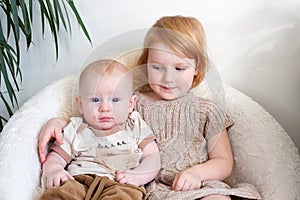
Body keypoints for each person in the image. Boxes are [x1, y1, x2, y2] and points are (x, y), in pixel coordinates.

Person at [39, 16, 261, 199]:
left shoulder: (207, 110)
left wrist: (196, 173)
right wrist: (58, 123)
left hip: (198, 187)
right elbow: (94, 117)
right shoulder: (131, 102)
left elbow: (224, 161)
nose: (168, 78)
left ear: (197, 68)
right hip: (150, 188)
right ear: (146, 63)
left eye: (179, 68)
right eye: (158, 67)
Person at [39, 59, 160, 200]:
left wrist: (139, 176)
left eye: (115, 100)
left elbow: (153, 157)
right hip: (79, 180)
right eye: (95, 100)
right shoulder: (75, 128)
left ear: (130, 104)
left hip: (121, 183)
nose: (105, 108)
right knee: (59, 195)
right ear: (81, 105)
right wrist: (55, 170)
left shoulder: (135, 125)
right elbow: (56, 157)